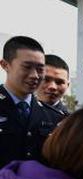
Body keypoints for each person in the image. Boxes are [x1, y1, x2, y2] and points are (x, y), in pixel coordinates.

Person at [0, 36, 65, 168]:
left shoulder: (54, 116)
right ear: (5, 65)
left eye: (40, 69)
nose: (35, 75)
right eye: (27, 67)